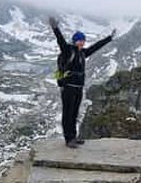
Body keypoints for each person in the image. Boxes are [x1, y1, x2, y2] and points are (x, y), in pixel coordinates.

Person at [49, 16, 116, 148]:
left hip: (78, 88)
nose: (82, 43)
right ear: (75, 41)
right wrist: (55, 28)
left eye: (83, 41)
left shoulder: (82, 53)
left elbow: (96, 47)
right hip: (68, 87)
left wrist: (109, 38)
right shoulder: (68, 51)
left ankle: (73, 136)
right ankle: (68, 139)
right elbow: (60, 40)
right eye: (80, 40)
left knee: (74, 113)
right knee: (68, 113)